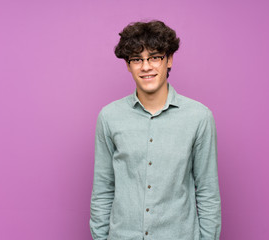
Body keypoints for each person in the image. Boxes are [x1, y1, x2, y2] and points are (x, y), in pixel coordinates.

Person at [89, 20, 221, 240]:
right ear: (128, 65)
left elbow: (208, 193)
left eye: (155, 57)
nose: (146, 66)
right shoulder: (109, 117)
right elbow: (103, 190)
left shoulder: (199, 117)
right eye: (137, 59)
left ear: (169, 60)